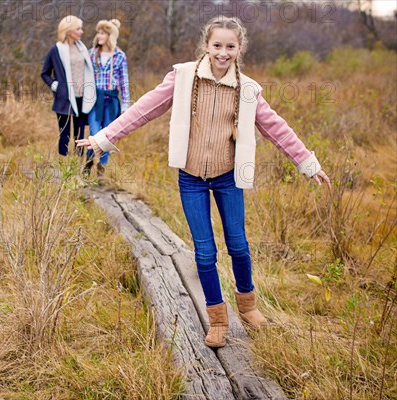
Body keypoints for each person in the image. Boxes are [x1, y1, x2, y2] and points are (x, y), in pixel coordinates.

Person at [77, 16, 331, 348]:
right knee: (205, 251)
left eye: (230, 46)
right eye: (217, 45)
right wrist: (104, 137)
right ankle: (218, 319)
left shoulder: (248, 90)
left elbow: (277, 129)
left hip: (228, 177)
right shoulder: (182, 78)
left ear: (239, 48)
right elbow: (143, 110)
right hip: (191, 178)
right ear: (206, 45)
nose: (223, 53)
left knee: (238, 244)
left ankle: (248, 307)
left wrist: (307, 163)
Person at [41, 16, 96, 157]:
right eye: (78, 28)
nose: (81, 31)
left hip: (82, 98)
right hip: (64, 100)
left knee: (79, 135)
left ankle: (77, 166)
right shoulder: (56, 50)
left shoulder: (82, 48)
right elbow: (45, 73)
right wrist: (56, 86)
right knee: (64, 135)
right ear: (69, 30)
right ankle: (63, 165)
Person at [83, 19, 130, 177]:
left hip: (111, 101)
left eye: (103, 33)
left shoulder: (119, 56)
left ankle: (101, 171)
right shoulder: (91, 53)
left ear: (110, 35)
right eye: (98, 32)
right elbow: (85, 77)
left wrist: (125, 106)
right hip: (95, 100)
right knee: (95, 133)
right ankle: (88, 164)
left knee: (107, 136)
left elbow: (124, 82)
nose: (99, 35)